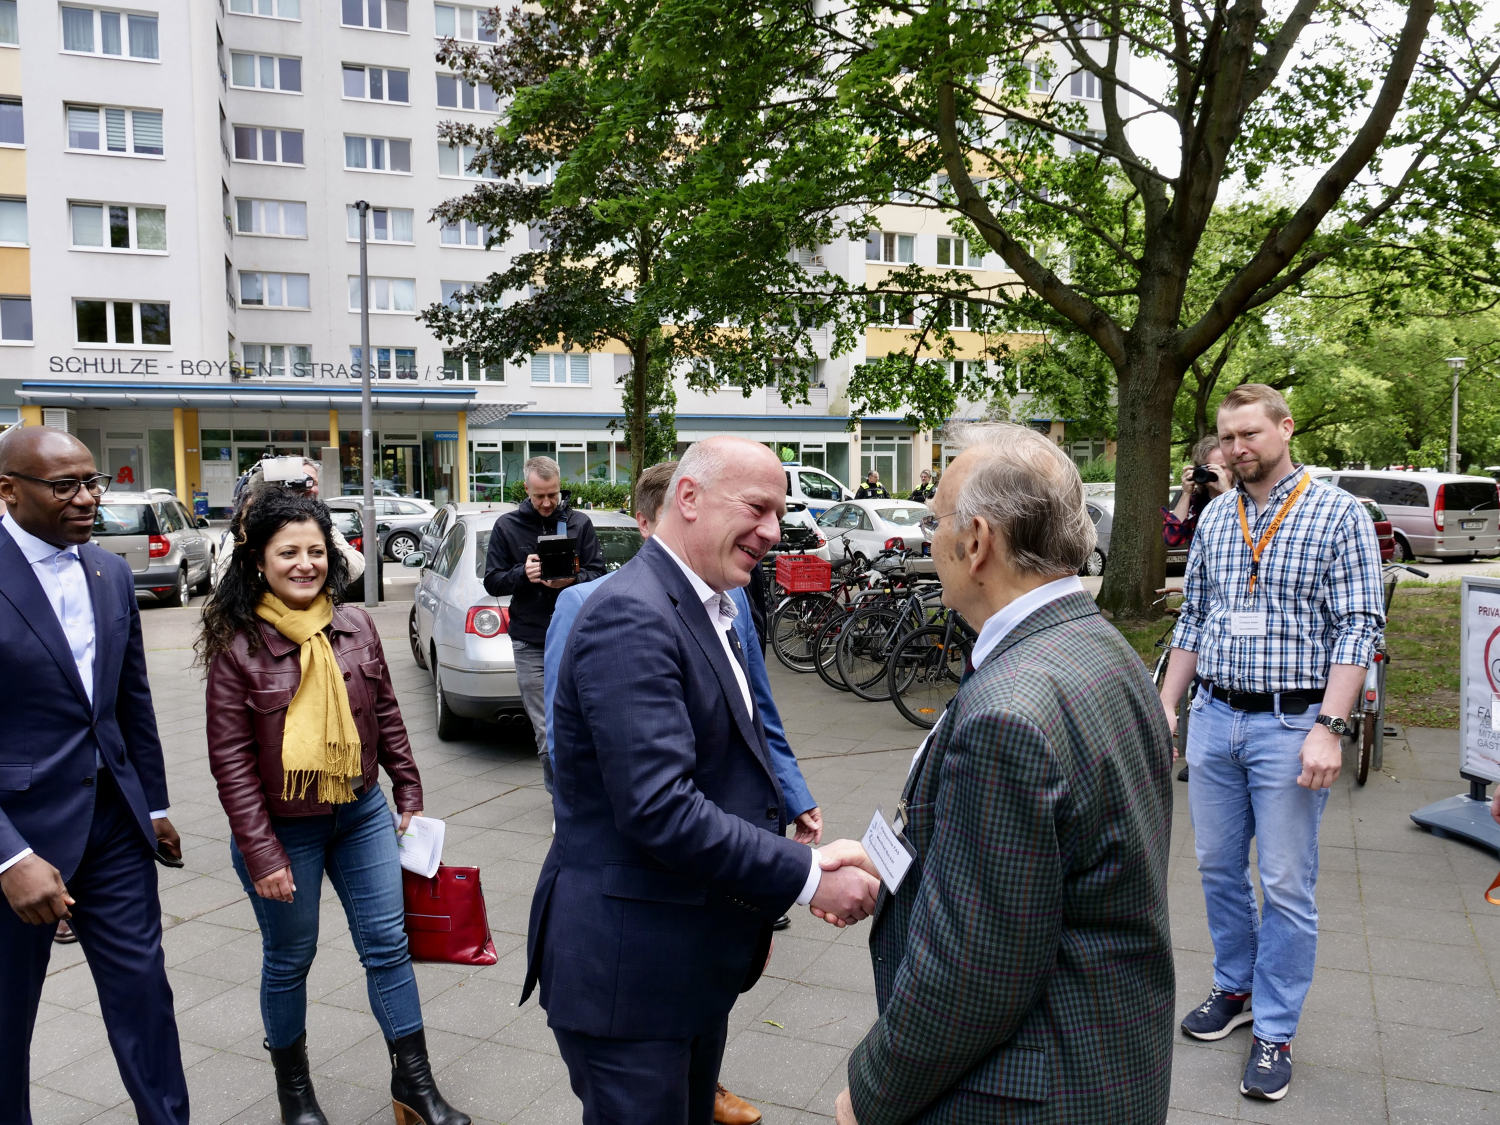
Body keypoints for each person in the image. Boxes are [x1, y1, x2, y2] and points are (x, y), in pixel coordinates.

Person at [526, 436, 881, 1124]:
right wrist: (807, 875)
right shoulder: (632, 614)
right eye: (757, 508)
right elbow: (660, 808)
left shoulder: (712, 603)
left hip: (684, 962)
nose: (773, 531)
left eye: (780, 514)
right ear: (687, 498)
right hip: (632, 977)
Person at [836, 422, 1175, 1125]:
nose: (930, 539)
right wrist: (894, 855)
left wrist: (869, 1095)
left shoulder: (1011, 709)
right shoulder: (1102, 648)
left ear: (977, 542)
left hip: (1026, 1090)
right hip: (1107, 1060)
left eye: (935, 521)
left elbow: (975, 972)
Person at [200, 490, 469, 1125]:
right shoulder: (238, 647)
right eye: (288, 552)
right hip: (281, 830)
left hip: (360, 813)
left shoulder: (356, 625)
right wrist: (262, 854)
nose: (305, 564)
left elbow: (387, 714)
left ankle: (415, 1087)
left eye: (316, 551)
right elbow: (231, 765)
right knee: (290, 959)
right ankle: (295, 1095)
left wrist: (408, 791)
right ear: (258, 561)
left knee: (387, 946)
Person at [1159, 384, 1383, 1102]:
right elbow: (1196, 616)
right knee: (1217, 867)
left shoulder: (1338, 513)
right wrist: (1166, 705)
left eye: (1249, 434)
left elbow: (1358, 626)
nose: (1236, 448)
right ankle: (1236, 987)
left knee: (1285, 882)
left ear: (1285, 429)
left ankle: (1276, 1028)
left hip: (1293, 724)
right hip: (1216, 716)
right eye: (1227, 437)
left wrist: (1331, 726)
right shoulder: (1218, 517)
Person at [0, 426, 190, 1125]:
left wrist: (155, 804)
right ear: (8, 490)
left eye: (92, 482)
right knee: (6, 1020)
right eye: (65, 486)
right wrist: (9, 856)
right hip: (18, 834)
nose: (87, 499)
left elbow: (129, 700)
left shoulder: (108, 571)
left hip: (113, 823)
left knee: (145, 996)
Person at [484, 456, 605, 793]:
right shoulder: (507, 527)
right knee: (547, 730)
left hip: (576, 638)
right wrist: (523, 574)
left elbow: (599, 574)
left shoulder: (579, 523)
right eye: (540, 496)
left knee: (585, 723)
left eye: (553, 494)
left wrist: (572, 579)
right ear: (526, 489)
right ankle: (563, 803)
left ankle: (584, 797)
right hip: (531, 641)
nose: (548, 503)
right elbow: (492, 582)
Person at [214, 457, 364, 585]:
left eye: (314, 483)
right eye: (302, 481)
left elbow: (353, 569)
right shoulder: (249, 525)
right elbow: (224, 581)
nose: (310, 488)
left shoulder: (319, 523)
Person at [1162, 433, 1231, 551]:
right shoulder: (1195, 503)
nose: (1217, 473)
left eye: (1222, 468)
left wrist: (1227, 493)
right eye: (1210, 468)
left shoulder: (1248, 498)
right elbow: (1172, 538)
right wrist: (1186, 493)